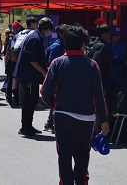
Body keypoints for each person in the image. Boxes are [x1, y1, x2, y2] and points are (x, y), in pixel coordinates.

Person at [42, 25, 109, 185]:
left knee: (64, 155)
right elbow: (99, 95)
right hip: (86, 119)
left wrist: (55, 105)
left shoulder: (57, 63)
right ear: (83, 44)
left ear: (65, 42)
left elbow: (45, 91)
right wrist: (105, 120)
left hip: (63, 116)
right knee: (82, 155)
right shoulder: (92, 65)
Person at [14, 17, 53, 136]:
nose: (49, 33)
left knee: (32, 100)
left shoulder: (35, 36)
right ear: (46, 29)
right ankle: (26, 127)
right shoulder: (35, 38)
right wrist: (43, 71)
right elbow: (31, 59)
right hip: (29, 76)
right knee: (29, 101)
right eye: (49, 30)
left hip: (30, 75)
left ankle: (28, 125)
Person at [44, 24, 68, 134]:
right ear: (60, 34)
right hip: (56, 77)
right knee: (56, 100)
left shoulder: (63, 44)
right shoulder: (57, 46)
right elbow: (52, 63)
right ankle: (50, 123)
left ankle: (50, 123)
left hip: (61, 77)